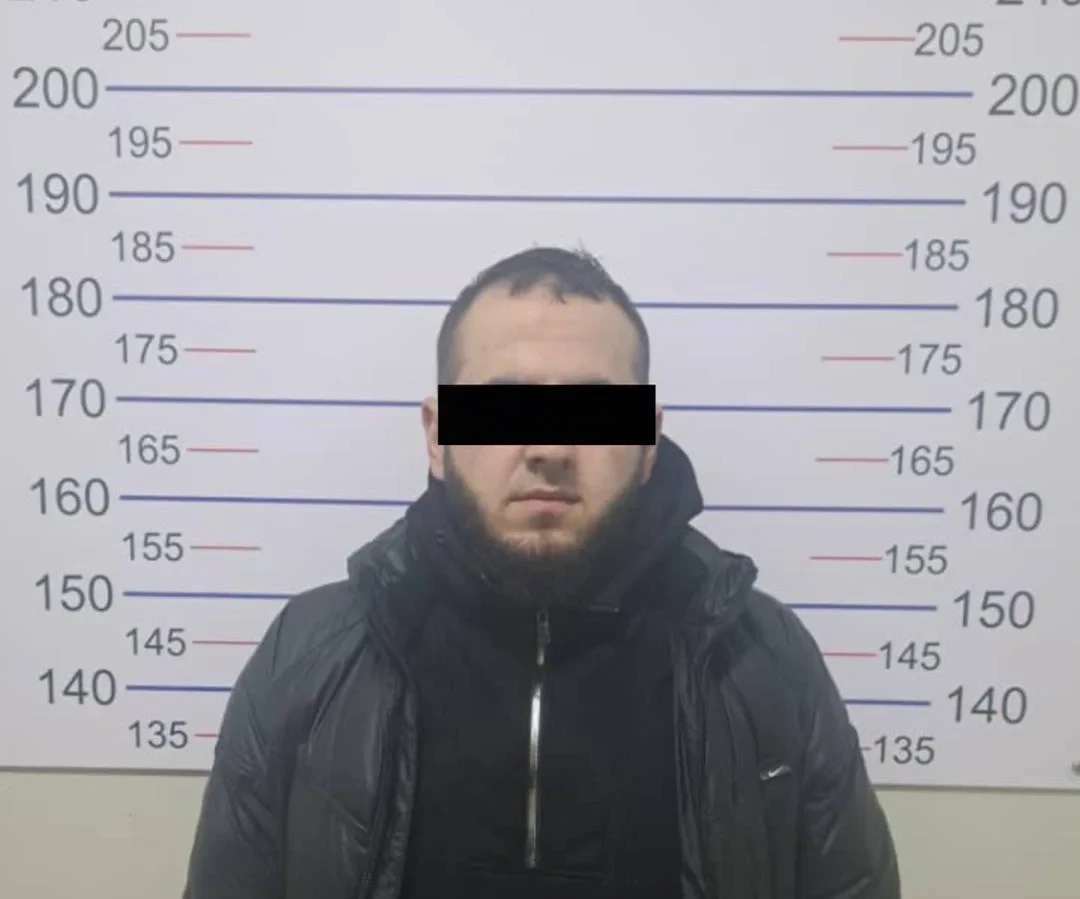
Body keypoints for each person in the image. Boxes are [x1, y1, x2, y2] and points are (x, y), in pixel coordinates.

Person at [181, 246, 901, 899]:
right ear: (437, 436)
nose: (549, 446)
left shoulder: (766, 661)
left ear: (648, 441)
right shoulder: (306, 656)